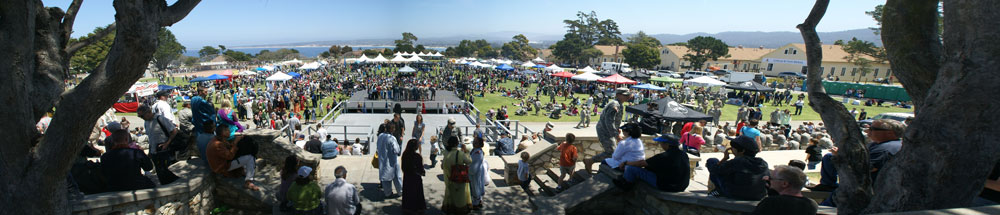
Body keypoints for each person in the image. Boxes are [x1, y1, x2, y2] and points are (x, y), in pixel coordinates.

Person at [613, 134, 690, 192]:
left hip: (666, 186)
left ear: (668, 144)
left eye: (662, 143)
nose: (661, 145)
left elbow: (641, 163)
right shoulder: (684, 154)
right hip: (681, 185)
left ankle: (625, 185)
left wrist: (625, 163)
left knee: (631, 169)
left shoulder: (663, 156)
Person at [706, 136, 769, 200]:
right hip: (759, 195)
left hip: (736, 194)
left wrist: (724, 159)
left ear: (742, 151)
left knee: (712, 161)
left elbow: (714, 170)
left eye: (733, 147)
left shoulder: (737, 162)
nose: (731, 148)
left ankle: (719, 190)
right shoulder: (762, 162)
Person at [585, 88, 631, 173]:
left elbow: (616, 120)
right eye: (625, 95)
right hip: (604, 130)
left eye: (628, 95)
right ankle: (590, 161)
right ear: (618, 95)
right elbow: (609, 121)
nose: (627, 97)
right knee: (612, 152)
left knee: (612, 151)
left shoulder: (619, 104)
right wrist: (616, 134)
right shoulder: (615, 104)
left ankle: (600, 165)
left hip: (609, 131)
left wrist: (618, 130)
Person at [206, 124, 259, 191]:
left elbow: (228, 148)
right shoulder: (217, 144)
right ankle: (248, 182)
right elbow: (229, 156)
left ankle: (245, 172)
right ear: (223, 132)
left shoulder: (220, 139)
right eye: (228, 130)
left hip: (223, 163)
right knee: (250, 157)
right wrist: (235, 142)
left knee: (244, 153)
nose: (229, 132)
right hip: (221, 167)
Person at [137, 105, 180, 185]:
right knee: (159, 171)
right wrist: (150, 151)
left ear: (148, 112)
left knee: (164, 170)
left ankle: (173, 185)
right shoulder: (146, 122)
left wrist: (167, 143)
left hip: (163, 149)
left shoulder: (160, 119)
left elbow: (174, 131)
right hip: (154, 151)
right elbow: (150, 137)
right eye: (140, 116)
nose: (141, 118)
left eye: (142, 116)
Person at [751, 165, 818, 215]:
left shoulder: (771, 203)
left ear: (784, 184)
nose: (768, 180)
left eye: (771, 178)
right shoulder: (811, 204)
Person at [441, 136, 472, 214]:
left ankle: (451, 209)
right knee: (460, 196)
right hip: (459, 178)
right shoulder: (460, 153)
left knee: (451, 195)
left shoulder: (446, 153)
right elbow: (469, 161)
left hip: (449, 178)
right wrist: (466, 152)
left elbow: (442, 166)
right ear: (457, 144)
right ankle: (460, 210)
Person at [401, 139, 427, 214]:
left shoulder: (405, 155)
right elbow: (421, 169)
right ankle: (418, 207)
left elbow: (403, 168)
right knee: (417, 193)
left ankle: (407, 207)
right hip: (416, 178)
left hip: (407, 178)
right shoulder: (417, 156)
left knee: (408, 193)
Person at [377, 124, 403, 198]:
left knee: (385, 178)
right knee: (397, 177)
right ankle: (400, 191)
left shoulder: (380, 136)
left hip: (382, 160)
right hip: (392, 161)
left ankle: (387, 193)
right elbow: (397, 150)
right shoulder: (392, 138)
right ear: (392, 129)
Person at [469, 137, 490, 210]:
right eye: (474, 141)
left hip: (475, 173)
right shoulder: (475, 151)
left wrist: (469, 170)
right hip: (477, 172)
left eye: (476, 142)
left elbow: (474, 164)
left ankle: (476, 203)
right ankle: (478, 200)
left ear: (479, 144)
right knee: (477, 187)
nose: (474, 143)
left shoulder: (478, 153)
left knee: (476, 188)